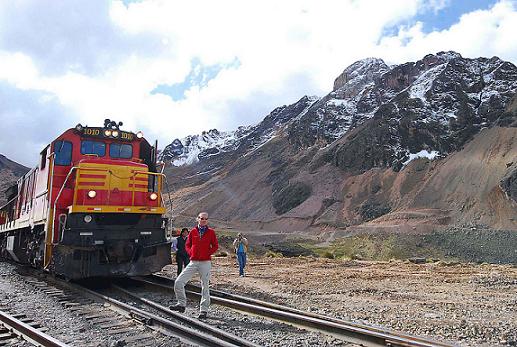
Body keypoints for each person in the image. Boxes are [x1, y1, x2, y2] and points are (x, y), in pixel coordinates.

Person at [169, 212, 218, 319]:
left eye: (205, 218)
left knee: (205, 287)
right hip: (193, 261)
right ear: (198, 219)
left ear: (207, 220)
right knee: (179, 282)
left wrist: (207, 253)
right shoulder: (193, 232)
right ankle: (181, 304)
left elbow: (215, 246)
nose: (203, 220)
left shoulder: (211, 232)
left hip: (205, 262)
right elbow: (187, 245)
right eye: (201, 218)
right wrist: (191, 253)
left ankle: (204, 310)